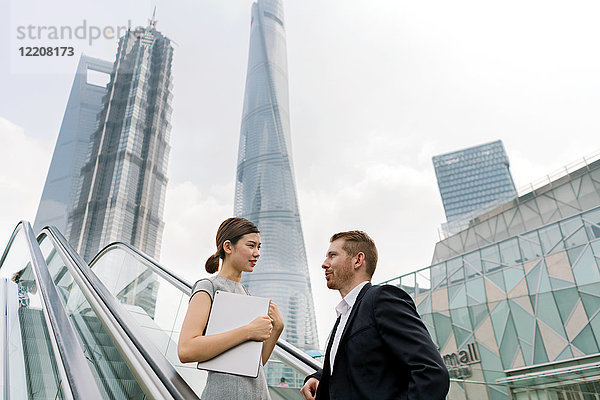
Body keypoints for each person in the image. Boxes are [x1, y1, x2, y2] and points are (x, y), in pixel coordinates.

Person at [300, 231, 449, 400]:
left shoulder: (381, 299)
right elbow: (362, 362)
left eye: (332, 255)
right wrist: (319, 376)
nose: (324, 264)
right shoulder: (344, 315)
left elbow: (431, 372)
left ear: (358, 260)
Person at [178, 217, 284, 400]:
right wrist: (248, 331)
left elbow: (254, 364)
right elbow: (186, 349)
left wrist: (277, 328)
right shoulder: (208, 287)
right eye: (251, 245)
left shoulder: (247, 295)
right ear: (228, 247)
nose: (257, 253)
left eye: (259, 247)